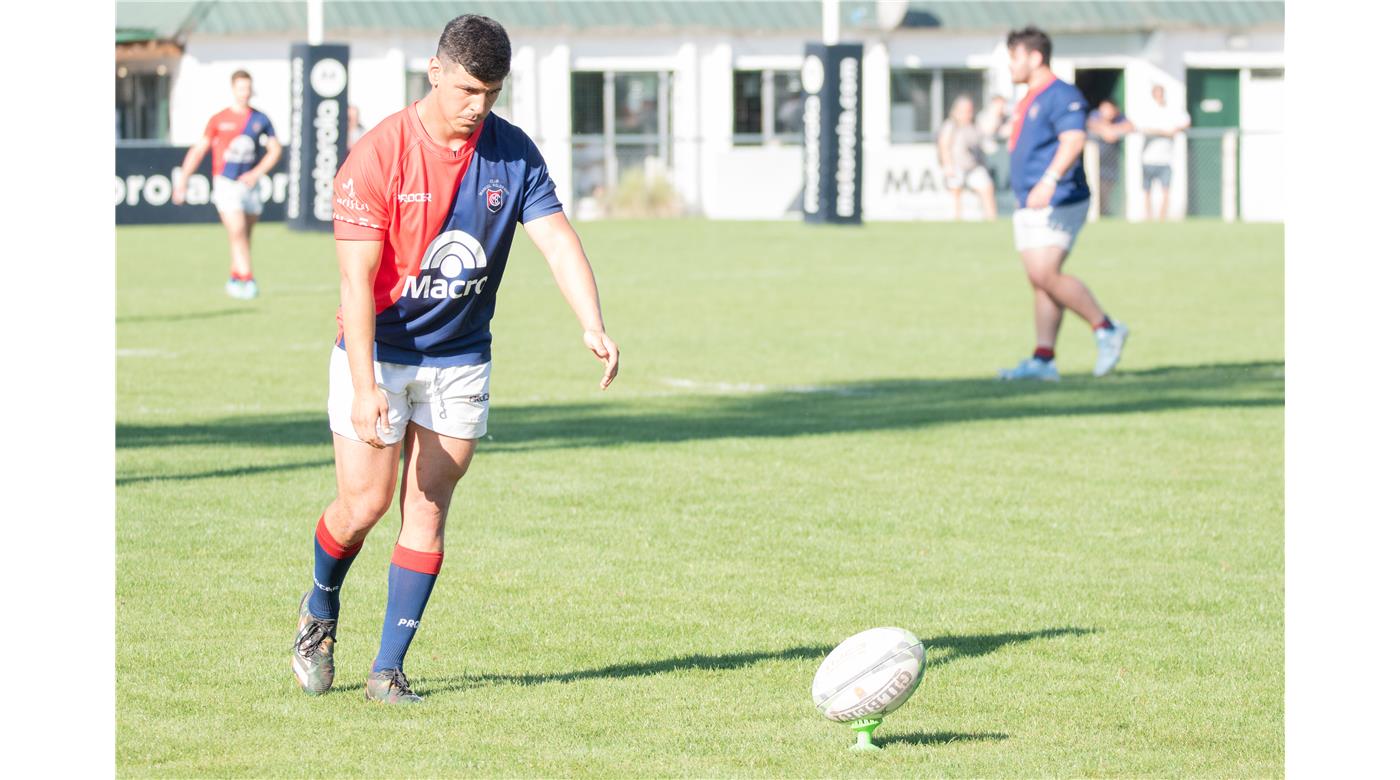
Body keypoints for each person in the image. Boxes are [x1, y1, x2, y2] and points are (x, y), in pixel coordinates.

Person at [290, 14, 621, 705]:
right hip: (379, 351)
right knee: (365, 503)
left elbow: (557, 241)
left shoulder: (514, 154)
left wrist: (592, 321)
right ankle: (320, 603)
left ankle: (387, 670)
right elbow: (354, 282)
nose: (477, 107)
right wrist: (362, 385)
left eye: (491, 93)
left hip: (462, 354)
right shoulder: (378, 156)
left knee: (429, 508)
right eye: (467, 89)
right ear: (434, 71)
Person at [998, 26, 1127, 381]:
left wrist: (1048, 181)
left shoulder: (1061, 94)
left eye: (1014, 58)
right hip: (1031, 200)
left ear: (1035, 58)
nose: (1010, 66)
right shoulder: (1029, 97)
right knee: (1039, 281)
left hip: (1059, 197)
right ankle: (1043, 359)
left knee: (1045, 274)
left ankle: (1106, 328)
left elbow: (1073, 140)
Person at [172, 70, 282, 299]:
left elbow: (275, 150)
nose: (245, 93)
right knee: (237, 230)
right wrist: (183, 179)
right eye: (241, 88)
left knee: (245, 235)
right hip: (226, 183)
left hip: (250, 185)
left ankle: (235, 276)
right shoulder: (219, 119)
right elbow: (199, 149)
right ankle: (248, 279)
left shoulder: (260, 119)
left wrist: (256, 173)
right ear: (233, 89)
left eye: (248, 88)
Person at [1137, 84, 1191, 221]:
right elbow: (1144, 128)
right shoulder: (1148, 110)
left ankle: (1162, 218)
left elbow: (1186, 122)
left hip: (1166, 159)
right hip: (1148, 159)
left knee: (1166, 190)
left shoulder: (1172, 109)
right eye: (1157, 93)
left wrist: (1175, 130)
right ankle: (1148, 218)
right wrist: (1165, 133)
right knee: (1147, 190)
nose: (1159, 96)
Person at [938, 94, 997, 220]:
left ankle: (992, 220)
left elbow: (984, 140)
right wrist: (947, 165)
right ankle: (956, 220)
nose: (968, 114)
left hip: (973, 166)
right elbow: (944, 146)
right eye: (964, 111)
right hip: (956, 166)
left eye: (969, 111)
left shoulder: (974, 125)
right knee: (955, 194)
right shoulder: (951, 125)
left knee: (987, 188)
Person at [1086, 98, 1134, 216]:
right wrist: (1106, 131)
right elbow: (1090, 123)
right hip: (1093, 165)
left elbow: (1129, 126)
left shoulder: (1120, 118)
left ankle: (1103, 213)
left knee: (1106, 191)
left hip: (1110, 165)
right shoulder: (1094, 116)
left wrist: (1112, 131)